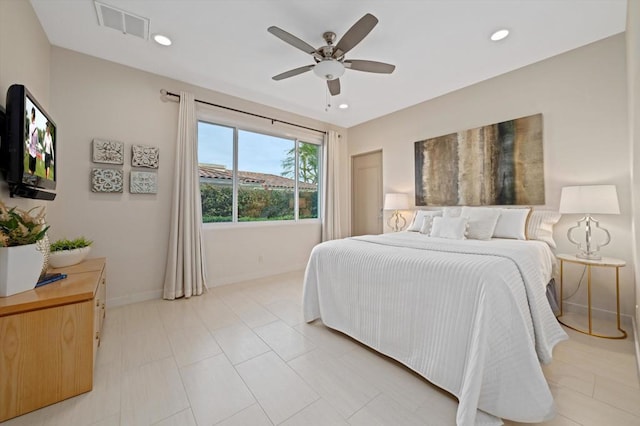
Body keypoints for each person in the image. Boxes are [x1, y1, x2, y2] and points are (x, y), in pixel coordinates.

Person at [27, 107, 38, 174]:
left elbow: (30, 140)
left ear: (32, 114)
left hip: (31, 153)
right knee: (33, 173)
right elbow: (37, 142)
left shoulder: (31, 126)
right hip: (35, 154)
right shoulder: (36, 127)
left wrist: (28, 145)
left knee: (29, 173)